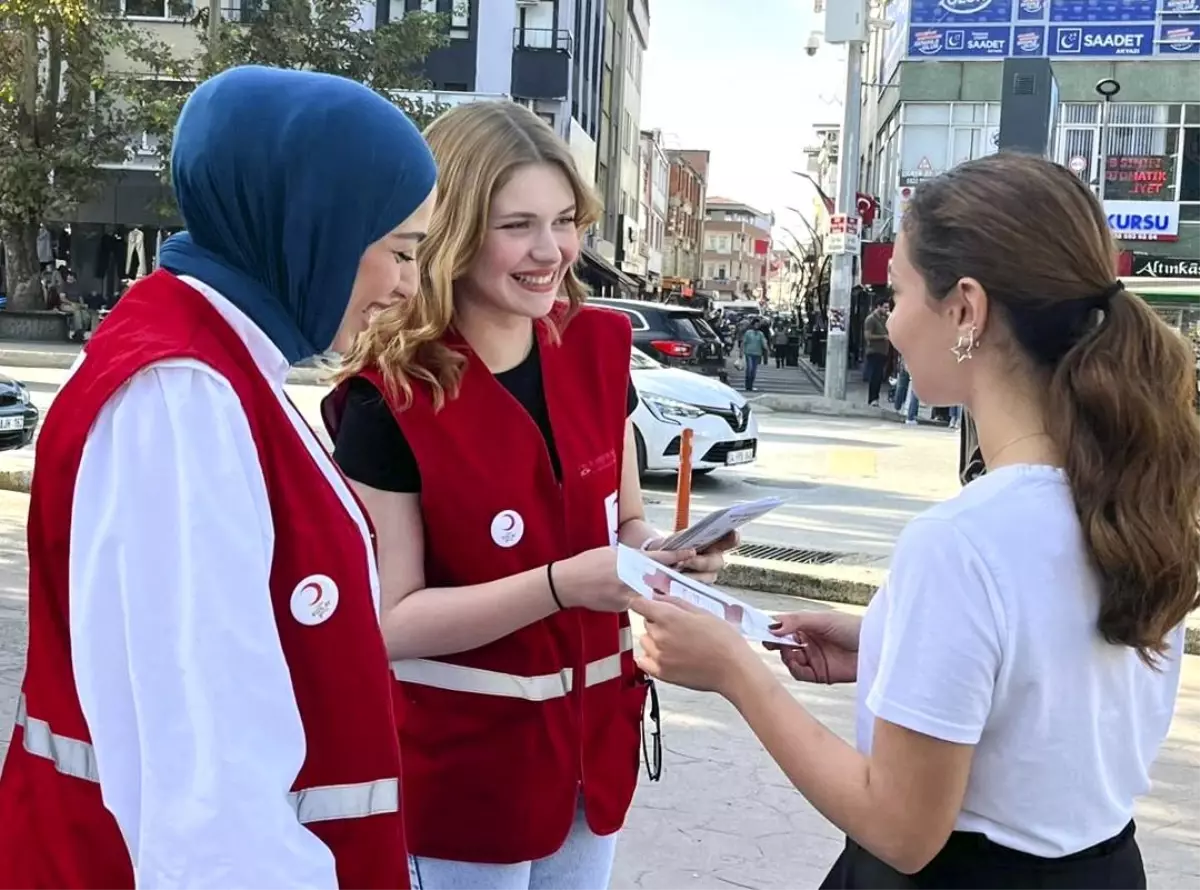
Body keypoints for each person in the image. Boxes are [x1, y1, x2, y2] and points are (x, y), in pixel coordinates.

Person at [627, 152, 1198, 889]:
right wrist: (886, 643)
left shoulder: (964, 541)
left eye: (895, 292)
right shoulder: (1135, 492)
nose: (887, 323)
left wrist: (736, 672)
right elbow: (1053, 687)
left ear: (965, 309)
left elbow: (902, 830)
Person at [0, 65, 437, 890]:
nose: (409, 285)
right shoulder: (182, 396)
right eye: (400, 251)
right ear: (315, 226)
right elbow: (211, 794)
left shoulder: (213, 365)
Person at [325, 101, 735, 890]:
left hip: (590, 763)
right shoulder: (388, 400)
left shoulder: (601, 349)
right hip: (462, 783)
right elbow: (389, 623)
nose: (551, 252)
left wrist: (662, 556)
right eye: (518, 225)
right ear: (456, 232)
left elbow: (629, 521)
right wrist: (561, 585)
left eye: (564, 220)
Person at [862, 296, 890, 405]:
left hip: (883, 352)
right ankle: (873, 398)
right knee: (875, 376)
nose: (887, 310)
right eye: (885, 308)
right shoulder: (871, 319)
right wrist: (883, 337)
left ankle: (875, 398)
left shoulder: (884, 319)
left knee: (879, 376)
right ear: (878, 307)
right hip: (874, 351)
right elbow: (868, 336)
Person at [741, 320, 768, 391]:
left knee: (753, 371)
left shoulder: (760, 334)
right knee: (749, 369)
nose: (757, 326)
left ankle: (750, 385)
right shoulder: (748, 333)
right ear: (753, 325)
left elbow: (764, 343)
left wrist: (767, 349)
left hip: (757, 354)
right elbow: (743, 343)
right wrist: (741, 353)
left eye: (758, 325)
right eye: (756, 324)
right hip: (749, 353)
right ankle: (747, 385)